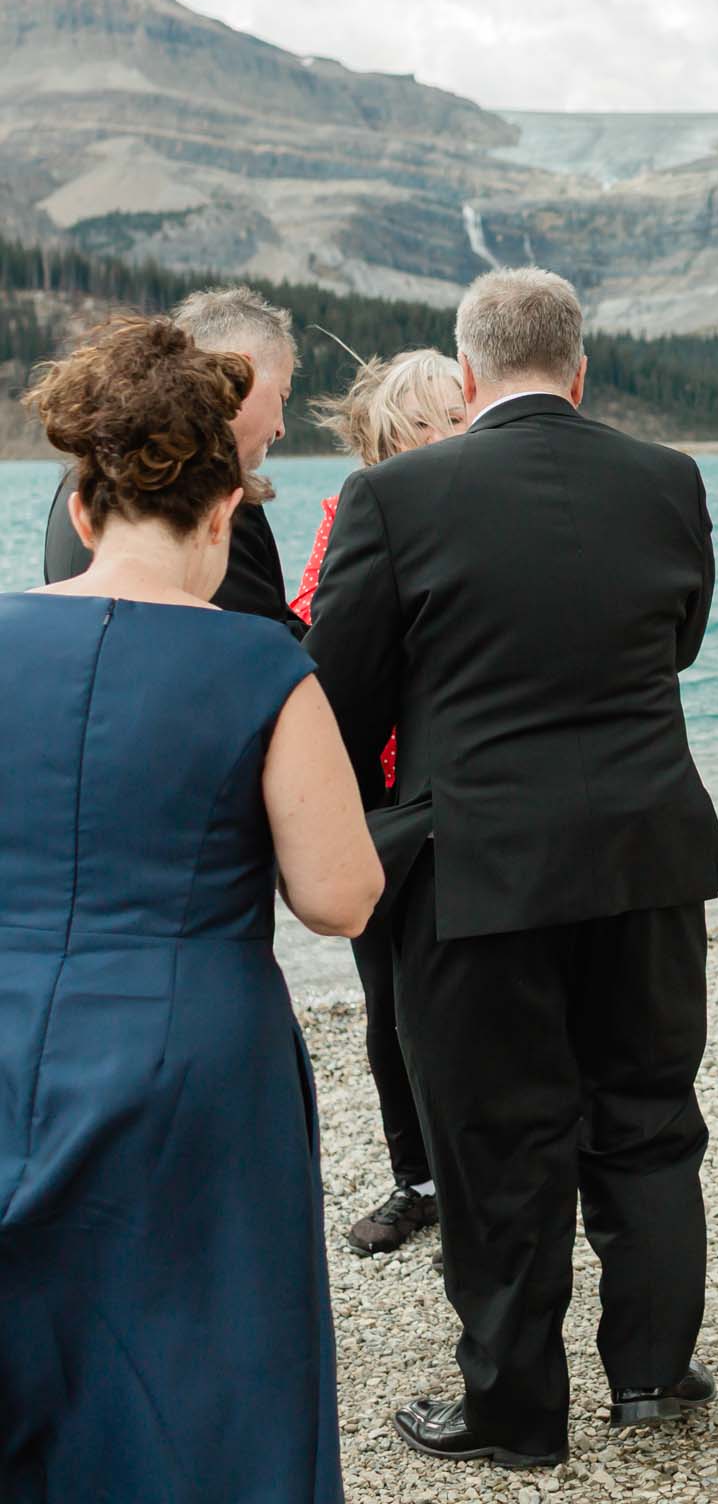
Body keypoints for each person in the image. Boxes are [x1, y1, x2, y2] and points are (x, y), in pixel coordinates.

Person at [307, 265, 718, 1471]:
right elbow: (680, 636)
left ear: (469, 372)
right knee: (648, 1116)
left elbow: (342, 691)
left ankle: (515, 1411)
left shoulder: (394, 493)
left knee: (500, 1138)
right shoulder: (668, 478)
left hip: (478, 864)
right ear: (581, 368)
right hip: (648, 850)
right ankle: (651, 1374)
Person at [0, 315, 383, 1504]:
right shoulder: (264, 668)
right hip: (193, 1054)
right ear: (224, 512)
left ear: (81, 502)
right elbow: (337, 897)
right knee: (204, 1367)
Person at [292, 348, 467, 1256]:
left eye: (454, 419)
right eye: (419, 425)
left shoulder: (490, 511)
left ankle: (495, 1163)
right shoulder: (351, 512)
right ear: (382, 437)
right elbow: (323, 633)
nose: (439, 439)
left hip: (455, 781)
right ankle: (419, 1176)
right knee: (384, 996)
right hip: (374, 789)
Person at [42, 284, 304, 633]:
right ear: (244, 372)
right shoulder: (203, 487)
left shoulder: (80, 478)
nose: (281, 427)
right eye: (283, 396)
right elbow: (260, 642)